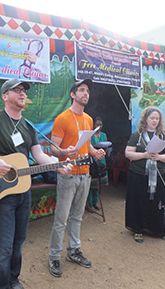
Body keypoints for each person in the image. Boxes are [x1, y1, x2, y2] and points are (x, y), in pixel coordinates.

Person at [0, 79, 72, 289]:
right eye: (17, 90)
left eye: (24, 90)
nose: (22, 94)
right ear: (5, 96)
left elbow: (38, 155)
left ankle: (13, 279)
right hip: (0, 194)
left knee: (18, 242)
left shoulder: (27, 126)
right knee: (3, 247)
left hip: (22, 191)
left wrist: (57, 165)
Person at [48, 79, 106, 278]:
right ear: (73, 94)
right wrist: (65, 151)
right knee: (61, 219)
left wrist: (95, 151)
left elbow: (86, 145)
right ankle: (54, 256)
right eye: (81, 90)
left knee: (77, 216)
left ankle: (73, 251)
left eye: (87, 91)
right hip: (68, 174)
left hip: (85, 174)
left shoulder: (89, 119)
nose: (86, 94)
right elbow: (53, 149)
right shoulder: (62, 118)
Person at [125, 107, 165, 243]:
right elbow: (128, 153)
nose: (154, 121)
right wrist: (144, 155)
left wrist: (159, 157)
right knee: (138, 201)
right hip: (139, 173)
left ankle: (157, 230)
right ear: (145, 119)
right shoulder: (137, 135)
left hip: (158, 174)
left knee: (157, 202)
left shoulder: (162, 136)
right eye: (152, 118)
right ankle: (137, 229)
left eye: (157, 118)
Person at [87, 116, 109, 210]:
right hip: (92, 160)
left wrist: (104, 149)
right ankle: (90, 204)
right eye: (97, 124)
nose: (99, 126)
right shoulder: (90, 135)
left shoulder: (103, 135)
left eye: (100, 124)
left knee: (98, 183)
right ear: (93, 125)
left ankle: (95, 203)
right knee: (91, 183)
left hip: (101, 159)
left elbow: (107, 147)